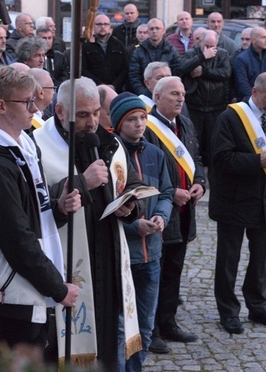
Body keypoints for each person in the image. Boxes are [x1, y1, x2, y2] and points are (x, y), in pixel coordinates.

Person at [33, 77, 142, 369]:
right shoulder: (37, 146)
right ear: (60, 112)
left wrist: (130, 206)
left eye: (96, 112)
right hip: (63, 262)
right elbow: (34, 204)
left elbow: (130, 181)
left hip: (105, 256)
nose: (92, 122)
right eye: (82, 115)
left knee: (106, 334)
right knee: (61, 344)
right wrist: (83, 182)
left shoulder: (108, 142)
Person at [209, 71, 266, 335]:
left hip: (265, 200)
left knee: (260, 258)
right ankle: (228, 311)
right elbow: (221, 159)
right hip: (233, 199)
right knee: (228, 259)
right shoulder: (231, 117)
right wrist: (258, 162)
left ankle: (258, 306)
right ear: (255, 92)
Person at [110, 92, 173, 370]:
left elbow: (167, 193)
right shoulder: (112, 156)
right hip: (125, 255)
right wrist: (134, 226)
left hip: (153, 255)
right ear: (118, 124)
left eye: (143, 118)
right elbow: (108, 206)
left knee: (145, 327)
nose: (139, 124)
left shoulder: (156, 154)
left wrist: (161, 216)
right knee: (124, 328)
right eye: (132, 120)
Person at [143, 76, 206, 351]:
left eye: (182, 94)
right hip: (160, 213)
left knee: (174, 270)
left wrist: (200, 183)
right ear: (157, 98)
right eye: (173, 94)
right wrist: (169, 193)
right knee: (154, 273)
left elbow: (197, 159)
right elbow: (142, 172)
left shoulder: (186, 123)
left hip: (184, 212)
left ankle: (168, 321)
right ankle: (151, 329)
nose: (180, 98)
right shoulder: (147, 128)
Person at [178, 30, 232, 166]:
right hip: (195, 106)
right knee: (195, 142)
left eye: (212, 46)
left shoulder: (222, 54)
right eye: (206, 46)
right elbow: (182, 68)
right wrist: (202, 57)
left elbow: (226, 73)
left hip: (216, 106)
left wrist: (204, 72)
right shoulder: (191, 54)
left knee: (213, 143)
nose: (209, 49)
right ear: (199, 42)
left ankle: (212, 173)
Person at [128, 18, 180, 97]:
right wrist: (144, 93)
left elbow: (177, 73)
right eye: (151, 29)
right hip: (145, 94)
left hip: (167, 94)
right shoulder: (139, 51)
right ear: (148, 32)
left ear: (163, 31)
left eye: (157, 28)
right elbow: (134, 76)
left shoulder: (172, 50)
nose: (154, 31)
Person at [233, 26, 266, 101]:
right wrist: (257, 100)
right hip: (250, 103)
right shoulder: (241, 59)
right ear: (253, 40)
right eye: (263, 37)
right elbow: (242, 84)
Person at [82, 13, 129, 93]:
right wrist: (100, 85)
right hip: (92, 90)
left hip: (115, 90)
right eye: (99, 24)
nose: (102, 27)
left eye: (105, 24)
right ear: (93, 26)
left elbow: (125, 69)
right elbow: (83, 70)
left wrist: (114, 85)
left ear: (110, 27)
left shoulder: (118, 45)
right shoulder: (85, 45)